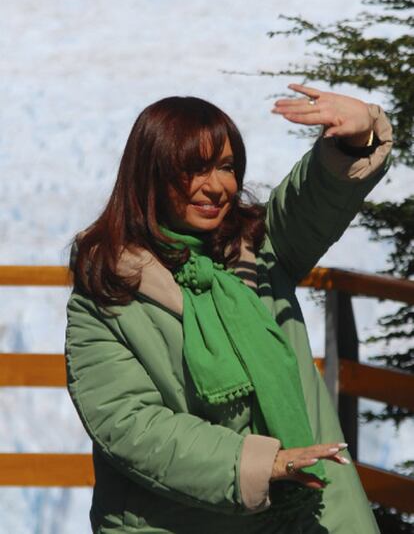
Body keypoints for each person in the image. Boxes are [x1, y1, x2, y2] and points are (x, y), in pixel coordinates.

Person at [65, 84, 392, 534]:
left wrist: (356, 139)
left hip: (307, 512)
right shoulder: (107, 288)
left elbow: (312, 200)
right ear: (152, 174)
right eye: (194, 169)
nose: (217, 187)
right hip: (179, 521)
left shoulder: (255, 250)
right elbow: (129, 425)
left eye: (226, 167)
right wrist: (262, 464)